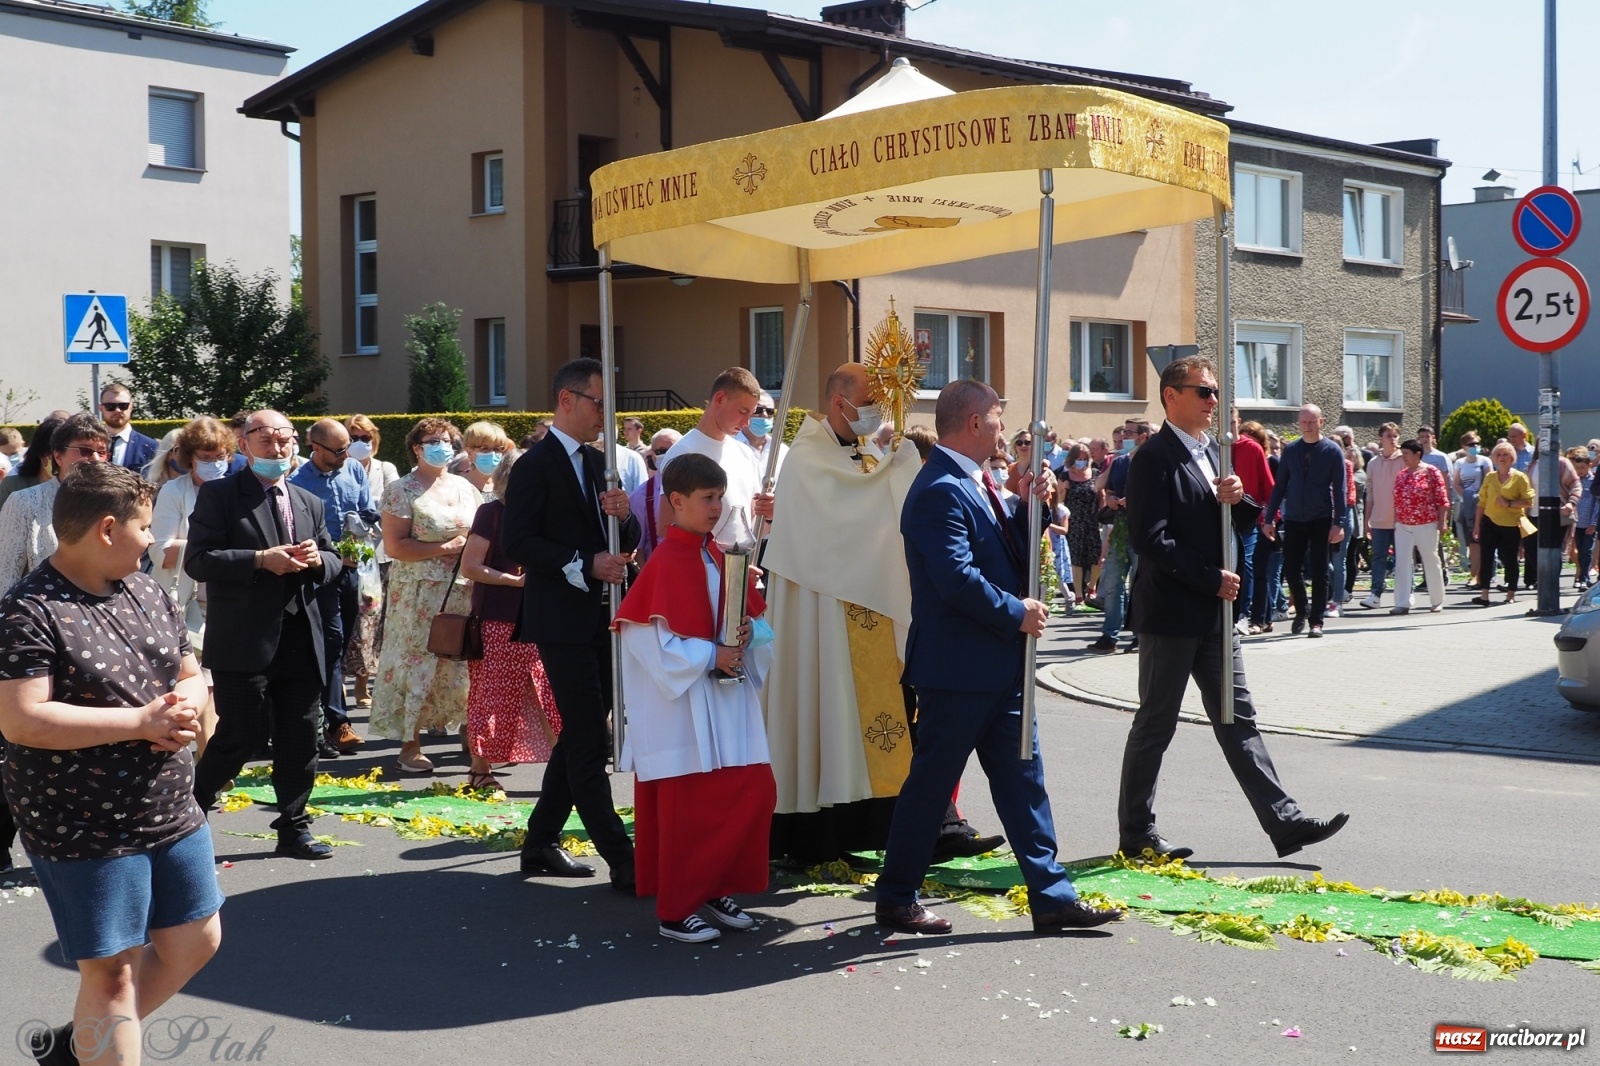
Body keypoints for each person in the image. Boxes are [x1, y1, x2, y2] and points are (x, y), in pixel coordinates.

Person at [876, 380, 1120, 937]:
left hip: (999, 668)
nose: (1003, 428)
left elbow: (1006, 548)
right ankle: (895, 896)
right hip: (958, 669)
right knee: (932, 786)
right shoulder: (939, 488)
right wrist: (1017, 612)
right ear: (970, 424)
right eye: (995, 418)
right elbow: (955, 578)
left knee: (1024, 783)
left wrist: (1033, 503)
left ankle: (1053, 897)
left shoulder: (979, 481)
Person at [0, 463, 223, 1066]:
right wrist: (142, 723)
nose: (152, 539)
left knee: (196, 940)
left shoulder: (144, 588)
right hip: (84, 820)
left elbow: (188, 668)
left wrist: (194, 700)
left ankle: (77, 1048)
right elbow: (22, 720)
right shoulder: (28, 609)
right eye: (145, 527)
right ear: (106, 528)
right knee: (112, 977)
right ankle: (96, 1044)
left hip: (170, 807)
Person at [1120, 356, 1349, 861]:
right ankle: (1136, 833)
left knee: (1238, 718)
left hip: (1214, 615)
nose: (1213, 402)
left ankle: (1284, 823)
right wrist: (1210, 578)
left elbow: (1234, 522)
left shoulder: (1212, 452)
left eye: (1215, 392)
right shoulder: (1153, 457)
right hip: (1174, 613)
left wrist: (1241, 499)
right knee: (1157, 723)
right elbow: (1150, 539)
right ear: (1170, 396)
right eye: (1202, 392)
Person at [765, 364, 972, 865]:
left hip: (871, 610)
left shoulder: (867, 454)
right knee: (830, 715)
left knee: (895, 718)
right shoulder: (806, 458)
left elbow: (884, 522)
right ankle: (822, 833)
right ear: (840, 402)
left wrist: (894, 469)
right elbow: (839, 524)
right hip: (827, 616)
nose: (876, 413)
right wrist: (896, 471)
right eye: (869, 401)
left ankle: (909, 827)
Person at [615, 452, 775, 943]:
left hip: (727, 700)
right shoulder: (664, 561)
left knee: (751, 791)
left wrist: (751, 633)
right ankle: (675, 909)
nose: (716, 506)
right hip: (683, 709)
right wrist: (711, 656)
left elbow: (753, 626)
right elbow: (643, 641)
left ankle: (713, 887)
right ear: (677, 501)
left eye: (720, 497)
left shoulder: (722, 556)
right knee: (689, 808)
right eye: (707, 498)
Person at [503, 358, 640, 890]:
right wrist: (583, 562)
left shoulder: (599, 461)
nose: (605, 414)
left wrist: (624, 514)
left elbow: (625, 543)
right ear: (567, 399)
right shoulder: (535, 465)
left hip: (601, 615)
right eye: (598, 402)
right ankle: (620, 856)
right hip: (560, 618)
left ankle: (539, 842)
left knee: (581, 734)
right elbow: (518, 542)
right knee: (588, 736)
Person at [185, 410, 343, 862]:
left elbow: (334, 561)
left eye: (285, 440)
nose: (278, 449)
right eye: (267, 440)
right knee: (240, 733)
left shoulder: (307, 500)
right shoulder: (220, 495)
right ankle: (190, 810)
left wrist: (317, 560)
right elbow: (200, 560)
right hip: (245, 638)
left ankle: (294, 826)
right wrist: (259, 559)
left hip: (300, 635)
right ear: (244, 443)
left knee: (300, 735)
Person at [368, 418, 481, 773]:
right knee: (417, 661)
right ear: (417, 448)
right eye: (434, 440)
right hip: (418, 594)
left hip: (464, 587)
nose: (442, 446)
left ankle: (469, 731)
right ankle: (409, 743)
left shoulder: (465, 486)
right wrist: (445, 547)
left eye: (448, 440)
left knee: (462, 659)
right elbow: (395, 546)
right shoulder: (402, 489)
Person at [460, 448, 561, 789]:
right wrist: (514, 581)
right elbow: (470, 566)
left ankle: (565, 769)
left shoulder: (546, 514)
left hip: (542, 615)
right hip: (497, 616)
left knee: (547, 690)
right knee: (491, 693)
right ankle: (480, 768)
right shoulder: (491, 513)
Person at [290, 418, 379, 757]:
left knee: (339, 647)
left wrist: (363, 525)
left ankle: (327, 717)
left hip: (354, 570)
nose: (346, 454)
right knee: (331, 640)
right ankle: (336, 723)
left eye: (347, 448)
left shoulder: (354, 471)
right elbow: (299, 532)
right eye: (338, 450)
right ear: (316, 448)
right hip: (321, 573)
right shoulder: (299, 482)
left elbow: (368, 512)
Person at [148, 416, 234, 760]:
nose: (214, 464)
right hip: (184, 598)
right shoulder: (173, 491)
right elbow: (159, 551)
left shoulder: (237, 490)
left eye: (220, 456)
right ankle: (206, 754)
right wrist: (204, 548)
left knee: (219, 678)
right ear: (189, 457)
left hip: (229, 594)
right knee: (199, 676)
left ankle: (209, 753)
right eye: (206, 457)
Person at [658, 368, 774, 547]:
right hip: (705, 570)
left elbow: (750, 526)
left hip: (740, 567)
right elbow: (667, 527)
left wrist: (769, 516)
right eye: (742, 411)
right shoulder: (683, 452)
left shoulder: (745, 453)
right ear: (720, 399)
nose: (747, 422)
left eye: (751, 413)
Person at [0, 412, 111, 594]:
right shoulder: (24, 502)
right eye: (85, 451)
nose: (95, 459)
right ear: (58, 456)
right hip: (40, 615)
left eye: (102, 452)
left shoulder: (115, 503)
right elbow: (5, 576)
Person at [1262, 405, 1347, 637]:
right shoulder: (1291, 450)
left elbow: (1340, 489)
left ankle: (1316, 621)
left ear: (1321, 422)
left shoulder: (1332, 451)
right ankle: (1301, 610)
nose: (1307, 426)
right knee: (1290, 569)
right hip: (1294, 517)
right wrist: (1269, 519)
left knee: (1320, 570)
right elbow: (1279, 486)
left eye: (1311, 422)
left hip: (1321, 517)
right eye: (1303, 422)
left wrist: (1339, 522)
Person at [343, 414, 399, 710]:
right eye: (354, 437)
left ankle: (364, 684)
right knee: (350, 621)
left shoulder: (385, 468)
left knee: (374, 622)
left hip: (381, 557)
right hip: (350, 556)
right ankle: (340, 685)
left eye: (365, 437)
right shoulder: (341, 470)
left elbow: (390, 504)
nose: (361, 443)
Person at [1087, 418, 1151, 654]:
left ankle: (1141, 634)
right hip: (1121, 529)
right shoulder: (1121, 461)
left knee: (1140, 585)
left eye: (1129, 432)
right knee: (1113, 584)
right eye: (1123, 431)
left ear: (1143, 437)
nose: (1124, 436)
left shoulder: (1152, 460)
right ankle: (1109, 636)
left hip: (1144, 531)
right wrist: (1112, 500)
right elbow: (1105, 488)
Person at [1390, 439, 1451, 614]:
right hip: (1403, 524)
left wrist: (1442, 521)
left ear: (1418, 454)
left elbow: (1442, 498)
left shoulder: (1431, 472)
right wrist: (1396, 521)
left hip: (1426, 522)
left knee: (1430, 560)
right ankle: (1402, 602)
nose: (1404, 458)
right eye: (1403, 454)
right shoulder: (1401, 474)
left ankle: (1437, 600)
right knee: (1402, 562)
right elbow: (1396, 500)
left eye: (1407, 454)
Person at [1473, 442, 1535, 606]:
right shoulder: (1490, 477)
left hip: (1511, 524)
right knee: (1486, 558)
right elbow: (1482, 502)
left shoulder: (1520, 477)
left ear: (1512, 458)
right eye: (1499, 455)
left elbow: (1529, 501)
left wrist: (1508, 503)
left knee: (1510, 559)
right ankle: (1484, 595)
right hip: (1489, 522)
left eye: (1505, 454)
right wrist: (1477, 525)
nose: (1502, 458)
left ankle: (1511, 595)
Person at [1231, 416, 1273, 631]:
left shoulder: (1252, 449)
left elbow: (1268, 486)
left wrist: (1270, 518)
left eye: (1230, 422)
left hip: (1248, 519)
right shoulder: (1213, 447)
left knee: (1246, 566)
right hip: (1222, 518)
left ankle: (1243, 615)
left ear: (1237, 421)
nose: (1227, 428)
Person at [1359, 423, 1404, 610]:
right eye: (1388, 436)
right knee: (1378, 557)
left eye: (1395, 436)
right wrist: (1367, 521)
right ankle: (1375, 593)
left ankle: (1404, 594)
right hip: (1379, 520)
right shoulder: (1373, 463)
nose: (1392, 439)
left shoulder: (1403, 460)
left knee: (1403, 558)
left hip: (1400, 520)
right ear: (1381, 438)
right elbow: (1370, 494)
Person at [628, 428, 682, 565]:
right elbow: (637, 548)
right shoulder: (641, 496)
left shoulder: (699, 490)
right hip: (658, 573)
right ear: (652, 456)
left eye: (675, 449)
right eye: (662, 451)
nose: (670, 454)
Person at [0, 412, 68, 511]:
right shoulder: (13, 486)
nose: (59, 460)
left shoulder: (80, 489)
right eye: (53, 454)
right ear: (41, 453)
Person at [1061, 442, 1101, 602]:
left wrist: (1103, 516)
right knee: (1075, 557)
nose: (1082, 461)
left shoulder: (1096, 473)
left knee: (1096, 556)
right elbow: (1059, 500)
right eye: (1079, 458)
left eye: (1085, 458)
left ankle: (1092, 586)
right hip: (1074, 521)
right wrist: (1064, 488)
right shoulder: (1065, 476)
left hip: (1092, 520)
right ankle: (1078, 593)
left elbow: (1101, 496)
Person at [1452, 432, 1492, 589]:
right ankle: (1474, 575)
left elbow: (1489, 481)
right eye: (1471, 444)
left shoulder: (1485, 461)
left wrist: (1479, 498)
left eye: (1476, 444)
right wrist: (1467, 497)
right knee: (1472, 544)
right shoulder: (1460, 463)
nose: (1475, 447)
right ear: (1464, 446)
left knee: (1484, 542)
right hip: (1466, 506)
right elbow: (1456, 483)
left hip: (1483, 505)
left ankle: (1485, 575)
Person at [98, 383, 158, 473]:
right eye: (110, 406)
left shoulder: (150, 447)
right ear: (101, 408)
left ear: (131, 407)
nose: (117, 410)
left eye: (123, 406)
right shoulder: (88, 445)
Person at [456, 420, 514, 500]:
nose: (492, 453)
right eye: (485, 448)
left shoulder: (507, 487)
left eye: (497, 449)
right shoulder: (458, 487)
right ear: (469, 452)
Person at [740, 391, 789, 483]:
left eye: (769, 411)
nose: (765, 415)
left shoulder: (782, 451)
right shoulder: (729, 446)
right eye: (758, 410)